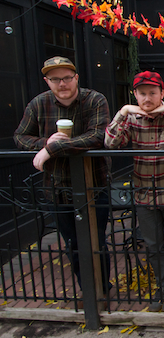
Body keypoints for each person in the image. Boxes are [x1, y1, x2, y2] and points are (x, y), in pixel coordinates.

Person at [14, 56, 111, 300]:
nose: (62, 83)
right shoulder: (39, 104)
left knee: (96, 241)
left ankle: (104, 291)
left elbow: (97, 136)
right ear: (47, 81)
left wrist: (51, 150)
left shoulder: (94, 99)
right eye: (55, 79)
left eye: (67, 77)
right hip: (55, 187)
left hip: (94, 185)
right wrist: (44, 142)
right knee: (73, 244)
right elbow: (20, 136)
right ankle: (89, 291)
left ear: (76, 78)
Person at [105, 71, 164, 312]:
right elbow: (111, 143)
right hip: (144, 192)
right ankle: (162, 286)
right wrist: (123, 112)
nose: (147, 98)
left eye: (152, 93)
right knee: (153, 245)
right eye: (141, 93)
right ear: (135, 95)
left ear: (162, 93)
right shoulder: (131, 118)